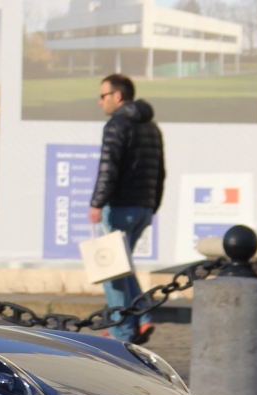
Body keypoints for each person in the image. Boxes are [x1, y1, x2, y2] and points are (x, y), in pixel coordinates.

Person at [89, 73, 164, 346]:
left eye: (103, 96)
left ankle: (122, 331)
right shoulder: (151, 126)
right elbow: (160, 172)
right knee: (124, 266)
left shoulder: (116, 125)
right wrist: (151, 206)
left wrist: (97, 203)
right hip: (143, 208)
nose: (100, 102)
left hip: (120, 207)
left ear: (117, 96)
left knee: (112, 271)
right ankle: (141, 319)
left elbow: (108, 168)